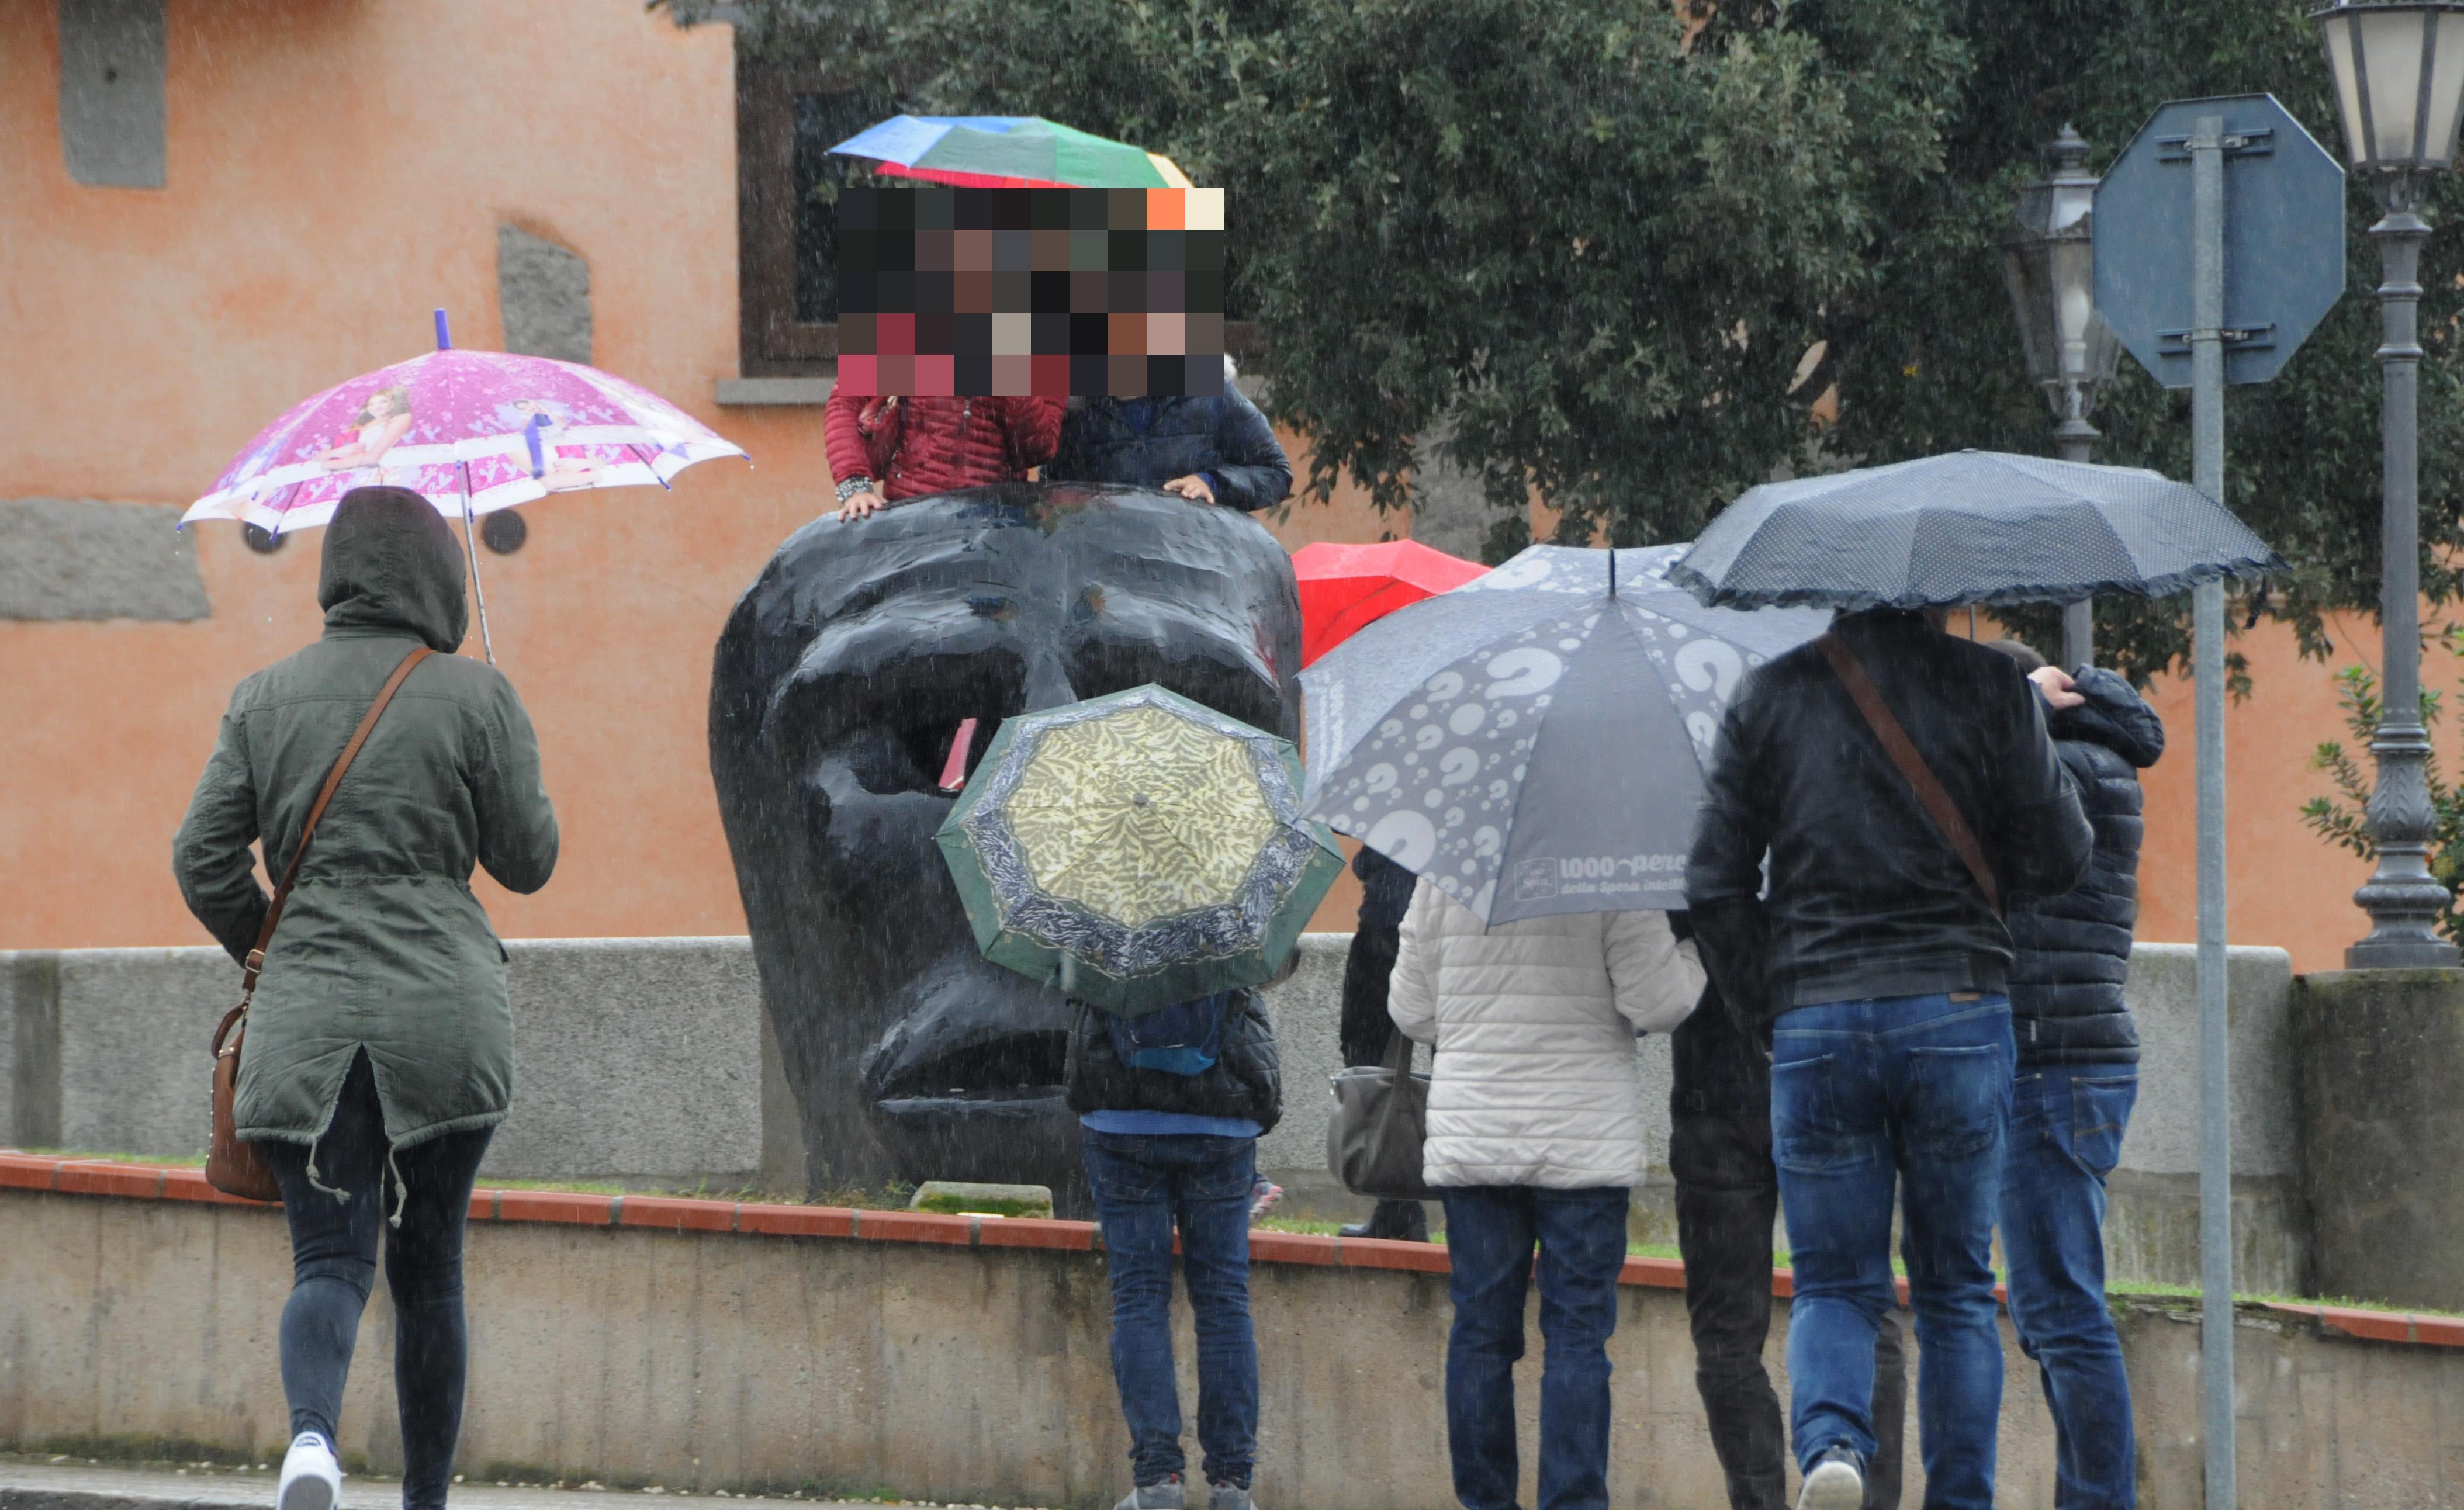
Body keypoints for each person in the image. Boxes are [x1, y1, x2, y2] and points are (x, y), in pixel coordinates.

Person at [172, 486, 559, 1510]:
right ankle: (424, 1500)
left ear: (337, 571)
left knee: (330, 1262)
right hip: (448, 1022)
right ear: (435, 573)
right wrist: (510, 736)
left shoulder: (263, 695)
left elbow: (200, 853)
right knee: (430, 1269)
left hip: (306, 1026)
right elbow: (528, 860)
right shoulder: (475, 694)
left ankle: (310, 1446)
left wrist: (271, 942)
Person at [1685, 606, 2092, 1510]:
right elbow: (2065, 855)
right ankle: (1960, 1497)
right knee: (1954, 1288)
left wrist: (1771, 1004)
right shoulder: (1991, 685)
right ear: (1936, 588)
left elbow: (1711, 880)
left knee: (1835, 1281)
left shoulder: (1772, 691)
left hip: (1818, 1017)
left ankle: (1832, 1446)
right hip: (1956, 1008)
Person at [1387, 881, 1704, 1510]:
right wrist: (1692, 954)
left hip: (1476, 1142)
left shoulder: (1445, 876)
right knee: (1578, 1338)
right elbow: (1656, 1004)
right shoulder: (1609, 871)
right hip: (1580, 1147)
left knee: (1480, 1334)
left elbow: (1412, 1011)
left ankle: (1486, 1501)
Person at [1985, 641, 2162, 1510]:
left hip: (2054, 1063)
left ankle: (2098, 1500)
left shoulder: (2076, 772)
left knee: (2065, 1314)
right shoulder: (2095, 762)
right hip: (2063, 1059)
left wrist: (2008, 705)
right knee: (2055, 1315)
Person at [1671, 971, 1908, 1510]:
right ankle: (1865, 1495)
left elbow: (1655, 989)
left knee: (1726, 1336)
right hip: (1830, 1063)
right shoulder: (1834, 883)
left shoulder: (1684, 884)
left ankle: (1763, 1501)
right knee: (1862, 1305)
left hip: (1716, 1088)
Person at [1065, 988, 1283, 1510]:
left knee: (1139, 1298)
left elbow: (1073, 988)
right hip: (1222, 1117)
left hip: (1121, 1115)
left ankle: (1158, 1480)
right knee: (1224, 1302)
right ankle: (1232, 1485)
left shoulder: (1106, 912)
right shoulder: (1229, 913)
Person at [1044, 356, 1293, 514]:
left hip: (1197, 574)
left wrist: (1213, 483)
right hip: (1108, 578)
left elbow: (1275, 473)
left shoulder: (1210, 392)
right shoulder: (1078, 409)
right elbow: (1056, 493)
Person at [1336, 845, 1428, 1241]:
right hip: (1436, 916)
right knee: (1372, 1069)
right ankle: (1398, 1208)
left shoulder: (1392, 791)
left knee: (1371, 1068)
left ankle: (1399, 1207)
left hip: (1394, 919)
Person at [824, 391, 1064, 521]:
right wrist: (855, 485)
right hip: (911, 519)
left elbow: (1039, 449)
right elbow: (845, 402)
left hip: (995, 527)